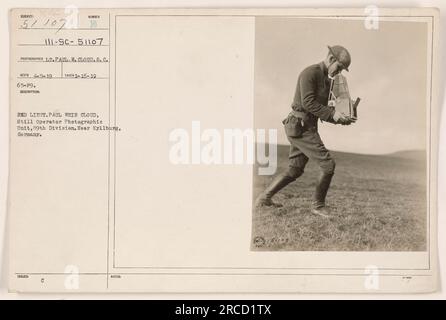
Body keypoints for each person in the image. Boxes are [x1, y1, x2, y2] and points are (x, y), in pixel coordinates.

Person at [256, 45, 355, 217]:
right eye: (339, 67)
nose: (339, 72)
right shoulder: (311, 73)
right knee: (328, 165)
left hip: (305, 126)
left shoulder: (325, 78)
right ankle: (318, 206)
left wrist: (342, 119)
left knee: (295, 170)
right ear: (331, 59)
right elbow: (308, 103)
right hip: (300, 126)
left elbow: (320, 109)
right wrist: (334, 114)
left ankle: (263, 199)